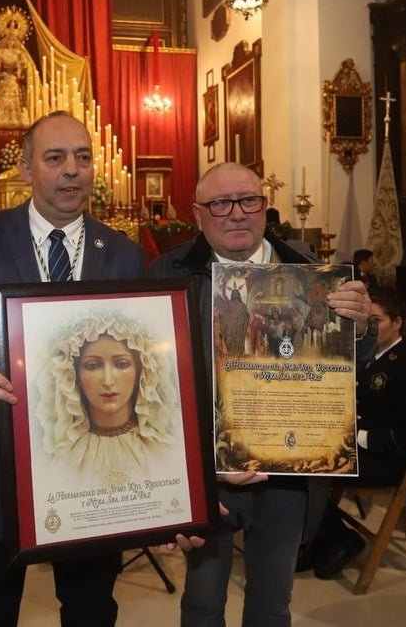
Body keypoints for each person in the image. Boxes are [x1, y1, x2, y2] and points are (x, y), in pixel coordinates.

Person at [0, 110, 145, 627]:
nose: (72, 170)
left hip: (95, 476)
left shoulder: (123, 253)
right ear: (25, 169)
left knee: (91, 612)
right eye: (55, 158)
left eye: (83, 157)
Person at [147, 162, 374, 627]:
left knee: (273, 603)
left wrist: (361, 328)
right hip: (206, 472)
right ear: (197, 214)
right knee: (203, 600)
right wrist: (191, 467)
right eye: (220, 204)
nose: (236, 213)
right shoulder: (167, 272)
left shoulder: (313, 271)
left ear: (265, 207)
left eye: (248, 200)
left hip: (287, 474)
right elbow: (151, 383)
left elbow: (349, 364)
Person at [306, 288, 406, 579]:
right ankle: (316, 538)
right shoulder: (366, 355)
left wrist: (355, 436)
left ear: (398, 322)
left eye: (376, 320)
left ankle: (340, 538)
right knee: (289, 459)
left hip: (387, 457)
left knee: (304, 471)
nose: (369, 327)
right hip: (356, 446)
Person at [33, 310, 178, 480]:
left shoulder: (169, 447)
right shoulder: (58, 459)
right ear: (73, 376)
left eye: (122, 364)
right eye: (92, 366)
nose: (108, 381)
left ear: (141, 372)